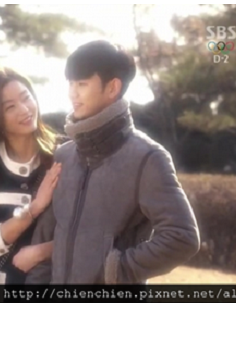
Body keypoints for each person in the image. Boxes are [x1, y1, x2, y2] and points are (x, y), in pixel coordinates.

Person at [27, 40, 200, 284]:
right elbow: (46, 236)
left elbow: (181, 237)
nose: (72, 93)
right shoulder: (64, 156)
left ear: (112, 88)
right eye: (71, 83)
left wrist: (116, 271)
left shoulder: (147, 158)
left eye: (82, 84)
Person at [0, 67, 62, 285]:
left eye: (26, 98)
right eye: (10, 107)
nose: (24, 109)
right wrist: (34, 208)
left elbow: (88, 232)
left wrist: (42, 252)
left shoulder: (65, 156)